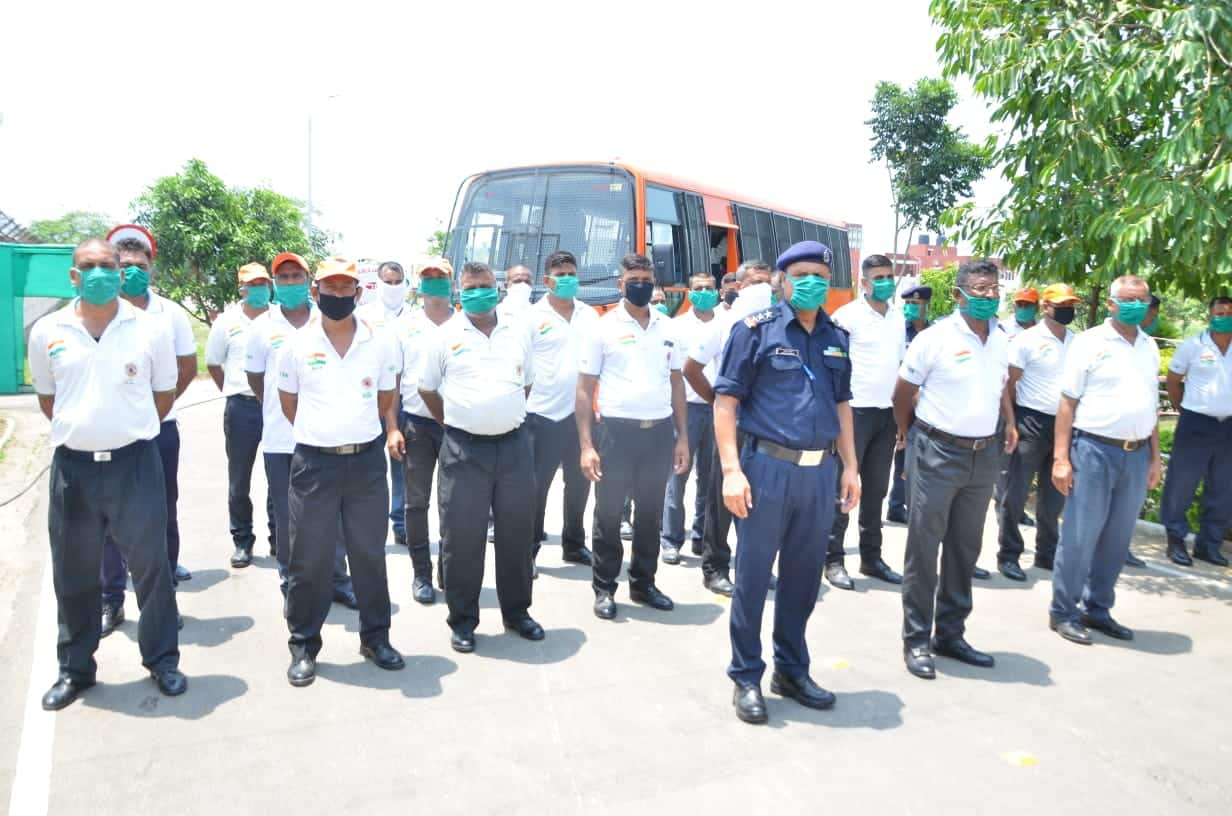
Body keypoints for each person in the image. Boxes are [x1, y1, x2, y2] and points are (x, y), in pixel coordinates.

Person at [28, 238, 187, 710]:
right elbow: (48, 398)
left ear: (121, 273)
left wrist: (125, 429)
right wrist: (86, 429)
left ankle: (162, 659)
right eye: (89, 267)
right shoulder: (47, 330)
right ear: (73, 277)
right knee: (74, 574)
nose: (100, 273)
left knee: (153, 569)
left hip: (135, 465)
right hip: (74, 471)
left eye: (108, 266)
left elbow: (164, 394)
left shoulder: (148, 329)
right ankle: (76, 669)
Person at [714, 240, 860, 724]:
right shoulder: (753, 331)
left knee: (801, 579)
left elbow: (842, 406)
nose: (812, 283)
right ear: (781, 280)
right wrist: (732, 471)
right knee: (754, 578)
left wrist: (851, 466)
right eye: (802, 274)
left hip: (820, 473)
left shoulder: (836, 336)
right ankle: (746, 676)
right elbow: (726, 404)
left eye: (820, 275)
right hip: (765, 469)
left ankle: (792, 670)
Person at [277, 258, 403, 686]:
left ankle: (376, 638)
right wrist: (323, 433)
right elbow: (287, 401)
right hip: (315, 463)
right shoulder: (296, 344)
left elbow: (388, 395)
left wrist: (382, 431)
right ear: (316, 291)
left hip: (366, 462)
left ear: (357, 293)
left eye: (343, 287)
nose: (335, 295)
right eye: (328, 288)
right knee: (308, 560)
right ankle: (304, 646)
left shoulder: (379, 342)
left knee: (369, 554)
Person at [893, 259, 1017, 680]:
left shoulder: (1001, 339)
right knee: (925, 548)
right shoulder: (934, 339)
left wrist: (1009, 425)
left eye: (993, 288)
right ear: (959, 294)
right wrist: (907, 435)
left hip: (984, 456)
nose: (988, 296)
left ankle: (951, 634)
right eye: (979, 289)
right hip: (937, 451)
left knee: (965, 548)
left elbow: (1001, 388)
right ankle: (916, 640)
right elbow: (902, 392)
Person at [417, 261, 542, 653]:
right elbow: (427, 389)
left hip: (514, 447)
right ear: (459, 290)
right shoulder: (444, 335)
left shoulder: (517, 330)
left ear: (498, 288)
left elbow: (527, 383)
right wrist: (460, 422)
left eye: (485, 286)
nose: (478, 293)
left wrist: (499, 417)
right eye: (470, 287)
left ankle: (517, 612)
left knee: (516, 534)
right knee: (462, 539)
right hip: (462, 450)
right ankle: (463, 620)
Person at [576, 253, 689, 620]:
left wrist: (682, 437)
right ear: (621, 283)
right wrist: (587, 445)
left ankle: (644, 582)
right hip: (615, 434)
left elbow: (677, 384)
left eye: (646, 278)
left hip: (657, 434)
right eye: (633, 279)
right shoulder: (602, 327)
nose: (640, 284)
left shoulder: (669, 328)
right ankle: (604, 588)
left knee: (650, 514)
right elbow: (584, 388)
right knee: (608, 514)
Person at [1049, 276, 1161, 646]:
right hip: (1093, 450)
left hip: (1136, 453)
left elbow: (1152, 406)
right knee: (1081, 535)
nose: (1135, 305)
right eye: (1127, 299)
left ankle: (1098, 608)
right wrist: (1061, 458)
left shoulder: (1149, 346)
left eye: (1141, 300)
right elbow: (1067, 402)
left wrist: (1155, 459)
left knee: (1117, 538)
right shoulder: (1089, 343)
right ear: (1112, 303)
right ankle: (1064, 611)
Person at [98, 224, 196, 638]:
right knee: (107, 521)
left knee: (160, 514)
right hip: (107, 434)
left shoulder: (168, 313)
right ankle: (111, 600)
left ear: (152, 269)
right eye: (124, 266)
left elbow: (187, 366)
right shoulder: (96, 311)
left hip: (158, 430)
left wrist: (156, 412)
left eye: (140, 265)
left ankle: (163, 597)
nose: (132, 272)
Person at [245, 252, 356, 608]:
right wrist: (280, 409)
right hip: (281, 437)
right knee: (288, 512)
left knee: (334, 513)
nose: (290, 283)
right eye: (284, 277)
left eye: (297, 277)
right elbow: (256, 378)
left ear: (309, 282)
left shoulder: (327, 319)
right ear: (276, 283)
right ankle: (292, 577)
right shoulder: (262, 327)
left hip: (327, 437)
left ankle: (337, 578)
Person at [683, 259, 775, 594]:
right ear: (737, 287)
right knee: (720, 501)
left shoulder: (780, 323)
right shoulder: (723, 324)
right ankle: (715, 567)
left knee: (762, 501)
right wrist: (715, 402)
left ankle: (757, 566)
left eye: (767, 282)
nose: (762, 289)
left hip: (767, 427)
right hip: (732, 424)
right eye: (753, 283)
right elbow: (691, 368)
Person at [824, 254, 906, 589]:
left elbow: (900, 369)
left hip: (886, 414)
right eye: (878, 277)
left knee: (876, 491)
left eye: (889, 275)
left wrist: (902, 419)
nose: (885, 281)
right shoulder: (846, 317)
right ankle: (832, 559)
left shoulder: (898, 318)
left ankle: (872, 558)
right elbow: (832, 366)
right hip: (853, 414)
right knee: (843, 488)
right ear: (864, 282)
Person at [995, 283, 1079, 580]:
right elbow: (1008, 384)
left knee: (1054, 494)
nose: (1067, 309)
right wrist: (1011, 421)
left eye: (1071, 303)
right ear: (1046, 307)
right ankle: (1008, 555)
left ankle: (1047, 554)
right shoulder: (1027, 340)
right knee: (1015, 494)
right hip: (1030, 422)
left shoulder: (1077, 342)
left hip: (1063, 426)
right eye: (1061, 304)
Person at [384, 258, 457, 604]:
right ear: (419, 284)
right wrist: (392, 428)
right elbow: (392, 384)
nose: (434, 283)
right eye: (428, 277)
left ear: (451, 281)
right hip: (416, 425)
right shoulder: (405, 326)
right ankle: (421, 574)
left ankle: (449, 567)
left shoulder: (465, 324)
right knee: (416, 503)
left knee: (453, 504)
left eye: (440, 277)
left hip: (458, 427)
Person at [521, 250, 598, 571]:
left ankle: (574, 544)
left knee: (580, 485)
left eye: (571, 273)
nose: (567, 279)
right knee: (536, 488)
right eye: (560, 274)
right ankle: (530, 550)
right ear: (547, 280)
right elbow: (521, 368)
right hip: (541, 416)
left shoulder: (590, 316)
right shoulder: (531, 317)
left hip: (580, 417)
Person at [206, 262, 274, 568]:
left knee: (280, 475)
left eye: (263, 282)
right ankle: (243, 541)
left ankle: (279, 539)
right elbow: (212, 362)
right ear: (242, 288)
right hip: (241, 408)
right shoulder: (227, 322)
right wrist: (234, 390)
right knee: (239, 479)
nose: (259, 288)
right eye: (252, 283)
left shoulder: (279, 318)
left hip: (276, 407)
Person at [1158, 296, 1232, 567]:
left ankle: (1208, 545)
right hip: (1196, 423)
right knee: (1181, 485)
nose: (1225, 316)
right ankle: (1176, 541)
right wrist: (1184, 409)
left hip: (1229, 428)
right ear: (1209, 316)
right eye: (1220, 312)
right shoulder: (1193, 345)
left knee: (1224, 488)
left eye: (1229, 312)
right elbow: (1175, 381)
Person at [660, 271, 721, 590]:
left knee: (711, 481)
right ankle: (671, 540)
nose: (704, 293)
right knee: (677, 476)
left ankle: (701, 537)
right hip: (686, 409)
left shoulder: (726, 322)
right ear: (688, 291)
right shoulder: (677, 326)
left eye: (710, 288)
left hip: (718, 410)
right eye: (698, 289)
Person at [358, 261, 412, 547]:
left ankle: (401, 523)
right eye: (387, 281)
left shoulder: (414, 317)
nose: (392, 287)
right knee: (371, 466)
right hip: (373, 401)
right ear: (377, 284)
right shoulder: (363, 316)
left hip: (406, 401)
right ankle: (371, 522)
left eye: (397, 281)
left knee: (402, 466)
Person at [886, 285, 932, 524]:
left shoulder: (934, 333)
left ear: (926, 306)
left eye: (916, 304)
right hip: (901, 400)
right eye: (908, 304)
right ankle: (896, 503)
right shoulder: (897, 332)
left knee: (921, 455)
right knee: (901, 451)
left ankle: (913, 502)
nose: (911, 308)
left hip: (927, 405)